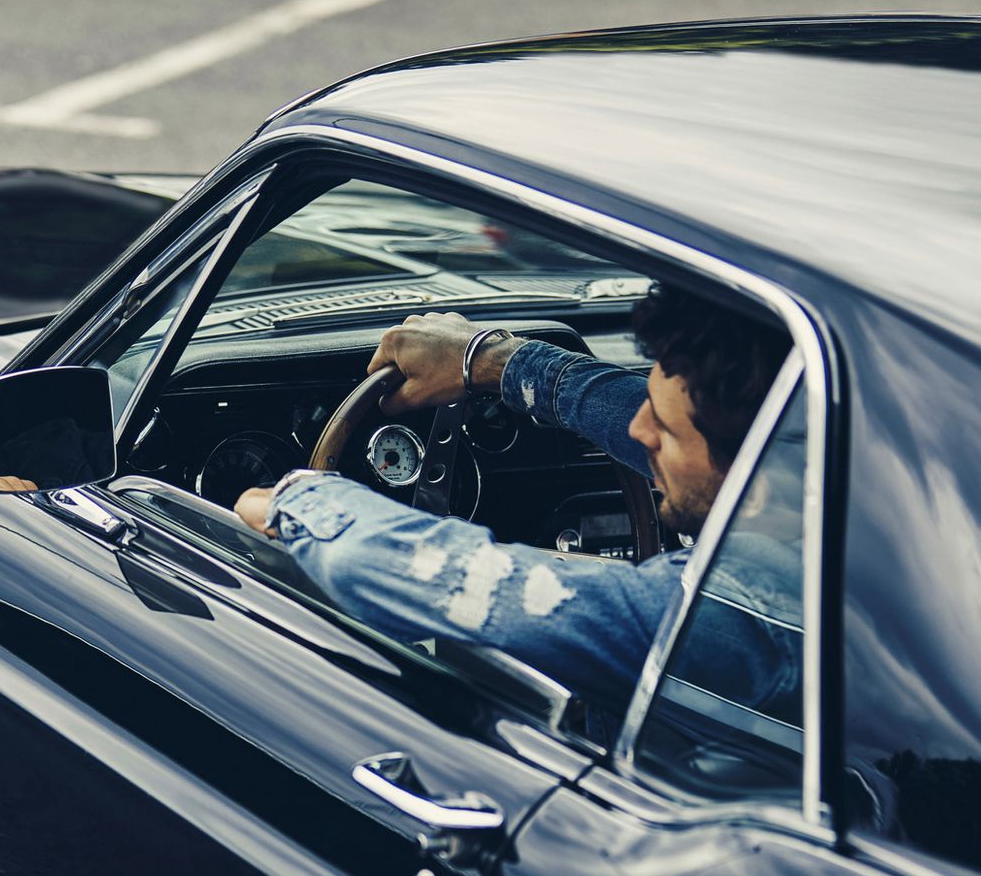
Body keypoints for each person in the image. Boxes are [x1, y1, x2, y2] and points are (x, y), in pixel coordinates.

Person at [233, 286, 796, 713]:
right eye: (647, 400)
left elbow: (442, 577)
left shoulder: (748, 617)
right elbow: (648, 418)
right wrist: (492, 361)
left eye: (666, 433)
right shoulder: (816, 477)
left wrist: (300, 498)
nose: (637, 432)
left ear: (757, 484)